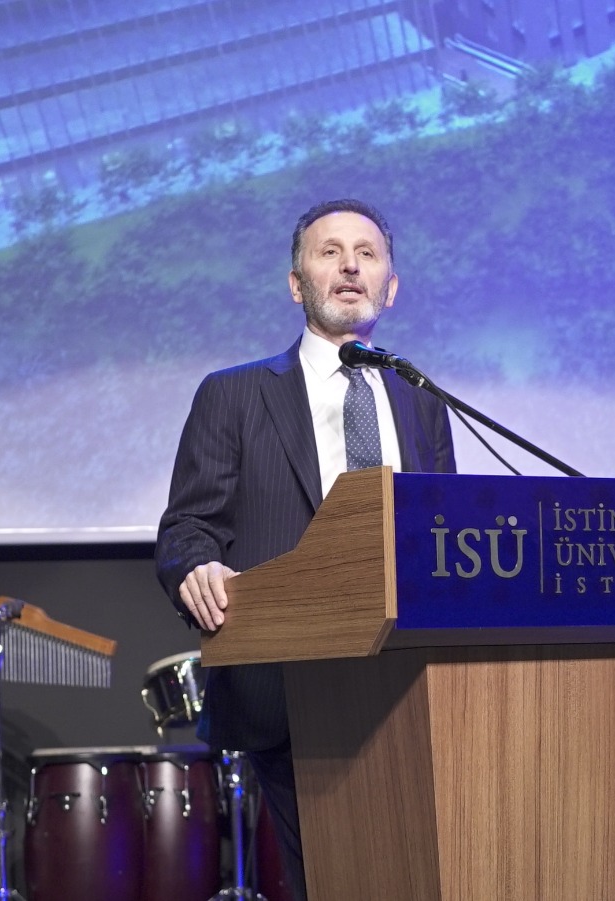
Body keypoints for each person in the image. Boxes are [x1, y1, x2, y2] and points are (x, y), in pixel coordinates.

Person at [155, 198, 456, 899]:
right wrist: (196, 566)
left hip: (414, 687)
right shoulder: (234, 395)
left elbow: (448, 537)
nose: (350, 265)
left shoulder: (423, 401)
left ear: (390, 287)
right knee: (329, 879)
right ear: (297, 284)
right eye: (330, 252)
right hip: (288, 688)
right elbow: (187, 527)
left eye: (366, 253)